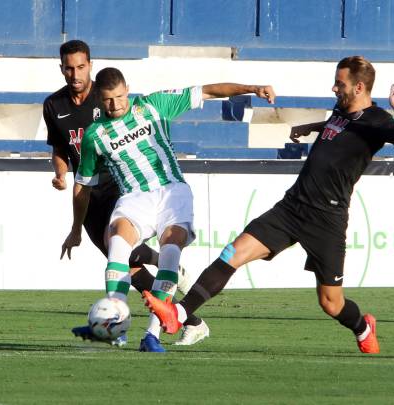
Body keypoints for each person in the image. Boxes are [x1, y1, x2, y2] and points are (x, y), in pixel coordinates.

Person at [145, 56, 394, 354]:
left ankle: (363, 326)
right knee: (232, 253)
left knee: (331, 303)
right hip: (291, 207)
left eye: (339, 84)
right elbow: (339, 129)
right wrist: (310, 126)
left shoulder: (378, 121)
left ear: (359, 87)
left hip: (327, 218)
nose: (333, 88)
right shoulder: (341, 111)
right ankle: (179, 314)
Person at [61, 66, 276, 352]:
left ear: (128, 89)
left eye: (120, 96)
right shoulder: (95, 135)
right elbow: (82, 186)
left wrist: (251, 87)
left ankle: (152, 335)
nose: (116, 104)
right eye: (109, 100)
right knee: (116, 244)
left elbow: (208, 90)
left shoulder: (152, 105)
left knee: (170, 254)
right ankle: (116, 323)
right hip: (134, 197)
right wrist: (76, 229)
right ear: (100, 99)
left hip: (173, 192)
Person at [44, 40, 209, 346]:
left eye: (80, 66)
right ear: (62, 69)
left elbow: (198, 94)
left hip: (122, 188)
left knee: (122, 249)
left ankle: (144, 323)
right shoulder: (54, 106)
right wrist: (61, 174)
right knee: (125, 261)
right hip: (93, 191)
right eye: (69, 67)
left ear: (90, 65)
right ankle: (125, 324)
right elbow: (60, 147)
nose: (75, 73)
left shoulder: (118, 98)